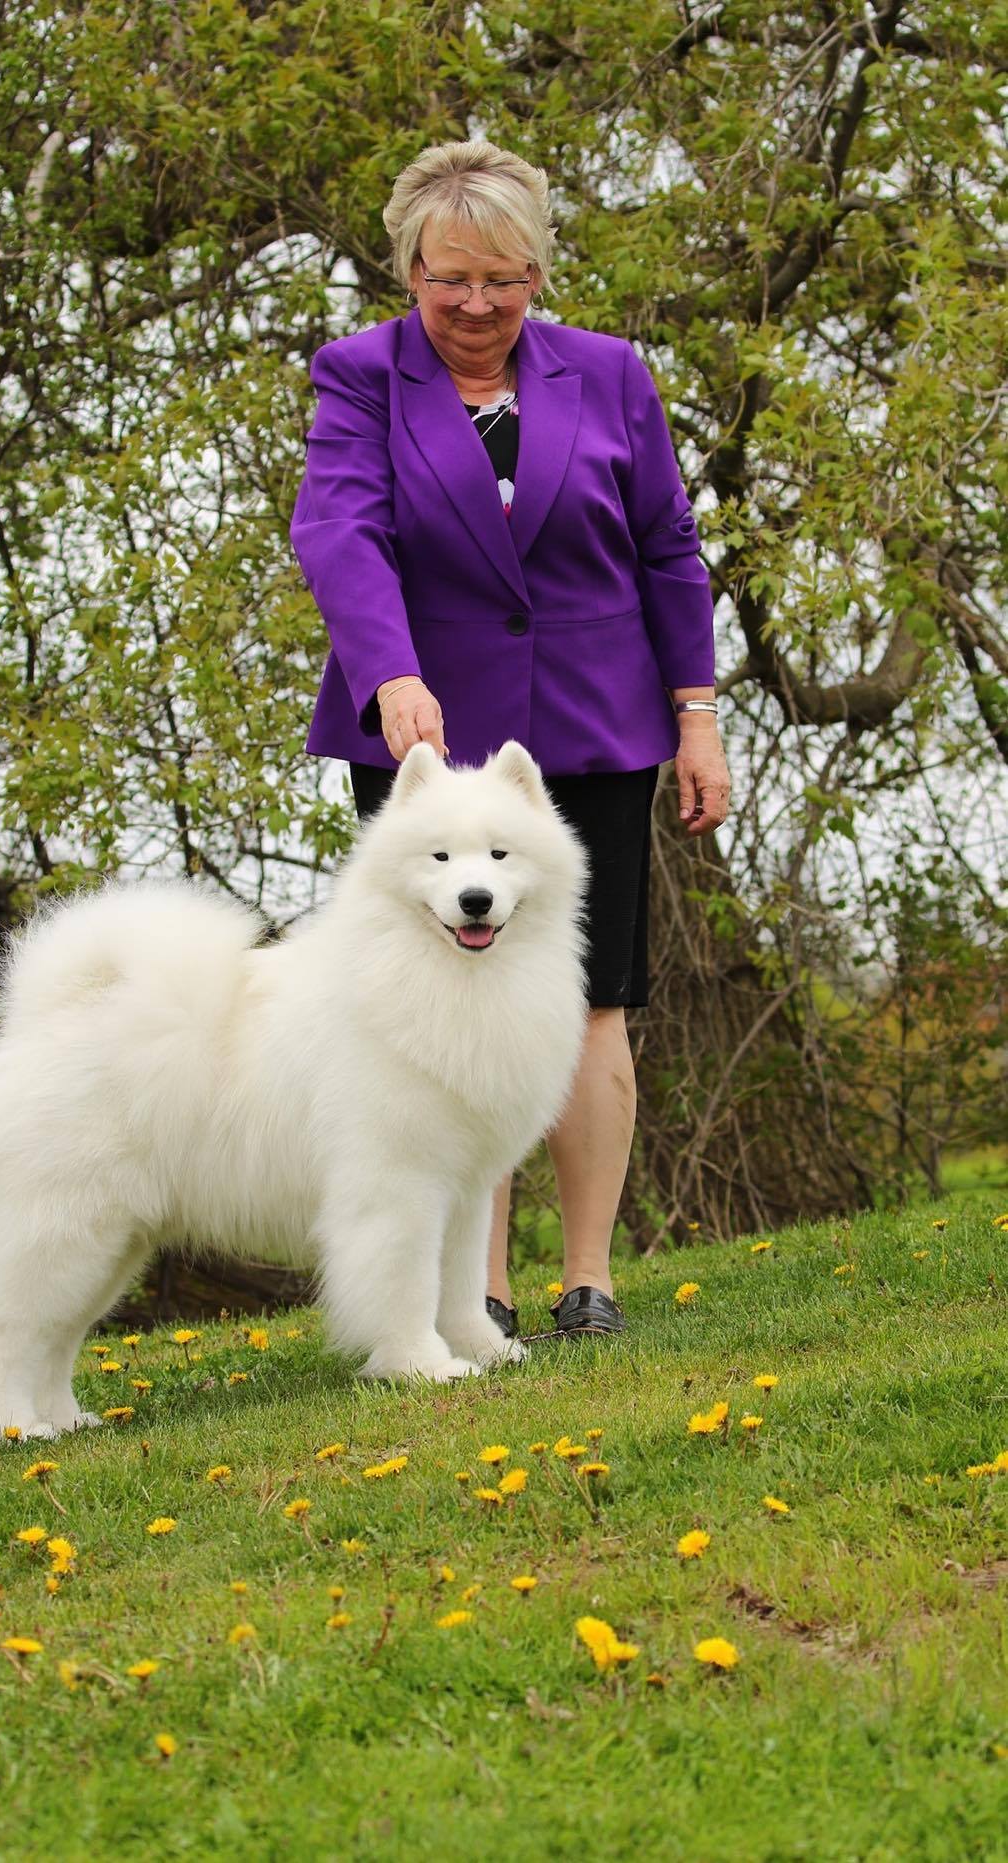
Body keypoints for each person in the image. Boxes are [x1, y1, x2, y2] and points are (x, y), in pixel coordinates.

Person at [289, 139, 730, 1341]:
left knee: (594, 1002)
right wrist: (389, 675)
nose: (477, 304)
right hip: (424, 741)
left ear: (538, 270)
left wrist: (698, 715)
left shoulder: (609, 373)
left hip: (593, 729)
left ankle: (586, 1280)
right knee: (438, 1015)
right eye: (451, 280)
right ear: (409, 271)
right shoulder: (359, 377)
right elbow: (341, 531)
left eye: (506, 278)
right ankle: (469, 1294)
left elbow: (667, 549)